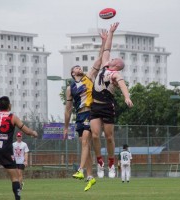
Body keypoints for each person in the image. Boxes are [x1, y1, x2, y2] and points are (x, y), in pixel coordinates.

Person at [64, 29, 108, 192]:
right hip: (80, 116)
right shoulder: (70, 88)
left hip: (91, 112)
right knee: (86, 147)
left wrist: (103, 42)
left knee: (85, 142)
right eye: (76, 67)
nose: (79, 67)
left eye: (79, 66)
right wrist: (66, 127)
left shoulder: (89, 77)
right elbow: (68, 110)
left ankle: (81, 170)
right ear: (72, 73)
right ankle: (90, 176)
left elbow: (99, 59)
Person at [90, 22, 133, 179]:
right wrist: (111, 33)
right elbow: (107, 49)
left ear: (116, 66)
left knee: (108, 137)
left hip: (108, 107)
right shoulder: (104, 65)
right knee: (95, 136)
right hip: (95, 106)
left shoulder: (114, 74)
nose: (111, 57)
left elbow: (122, 84)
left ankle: (111, 163)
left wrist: (127, 97)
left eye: (114, 59)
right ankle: (100, 163)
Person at [0, 96, 38, 200]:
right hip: (5, 149)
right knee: (15, 177)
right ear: (9, 105)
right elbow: (27, 131)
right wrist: (34, 133)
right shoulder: (12, 117)